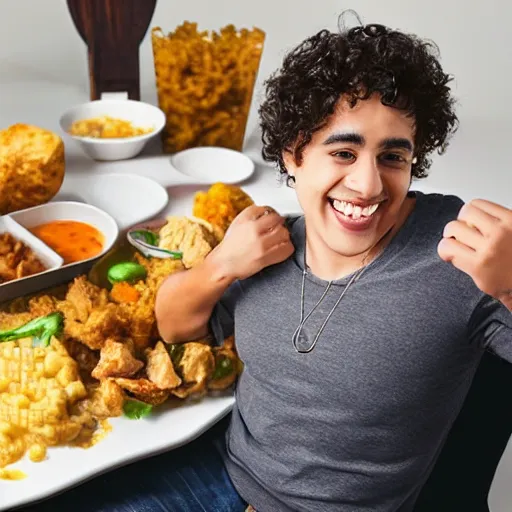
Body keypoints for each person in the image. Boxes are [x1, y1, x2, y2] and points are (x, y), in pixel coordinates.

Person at [25, 15, 512, 512]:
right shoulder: (270, 239)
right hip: (223, 481)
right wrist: (222, 264)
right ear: (294, 154)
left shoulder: (463, 249)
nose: (368, 185)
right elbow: (173, 326)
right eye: (344, 152)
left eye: (392, 158)